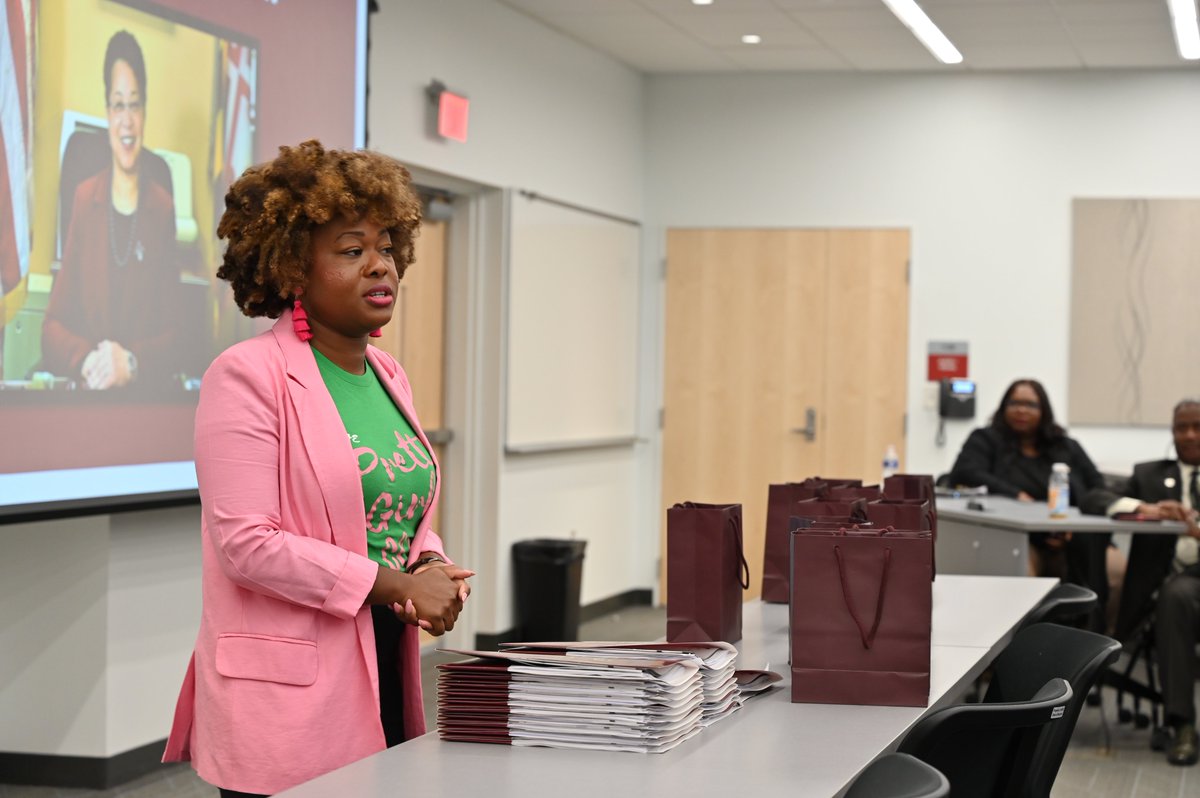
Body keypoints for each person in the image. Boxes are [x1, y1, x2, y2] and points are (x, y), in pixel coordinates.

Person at [162, 140, 473, 797]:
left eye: (387, 246)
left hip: (384, 663)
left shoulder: (388, 375)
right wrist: (396, 587)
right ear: (294, 270)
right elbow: (247, 545)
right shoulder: (247, 376)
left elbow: (398, 514)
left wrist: (430, 566)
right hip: (289, 695)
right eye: (352, 250)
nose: (379, 264)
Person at [41, 30, 180, 389]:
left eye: (134, 104)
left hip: (140, 398)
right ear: (107, 112)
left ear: (144, 110)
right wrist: (90, 361)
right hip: (89, 391)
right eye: (118, 105)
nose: (127, 120)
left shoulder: (162, 208)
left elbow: (177, 336)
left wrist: (130, 362)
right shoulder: (85, 198)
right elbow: (52, 327)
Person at [1081, 399, 1200, 767]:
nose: (1190, 434)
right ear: (1172, 432)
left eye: (1197, 425)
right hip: (1162, 589)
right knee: (1176, 595)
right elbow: (1094, 497)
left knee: (1179, 595)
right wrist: (1143, 507)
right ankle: (1182, 724)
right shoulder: (1149, 475)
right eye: (1182, 427)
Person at [949, 378, 1111, 624]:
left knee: (1117, 572)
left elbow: (1097, 485)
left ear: (1043, 410)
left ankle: (1097, 641)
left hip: (1072, 536)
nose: (1021, 410)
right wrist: (1015, 494)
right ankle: (1027, 648)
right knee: (1021, 578)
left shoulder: (1066, 446)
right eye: (1014, 403)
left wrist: (1070, 527)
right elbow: (965, 472)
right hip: (1019, 537)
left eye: (1030, 404)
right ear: (1003, 407)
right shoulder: (986, 439)